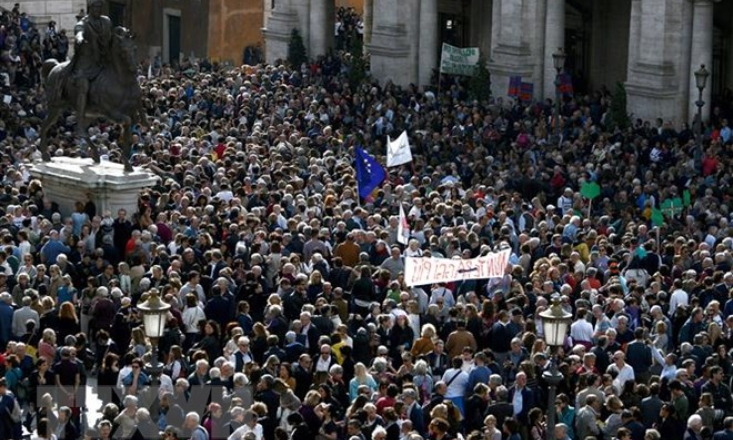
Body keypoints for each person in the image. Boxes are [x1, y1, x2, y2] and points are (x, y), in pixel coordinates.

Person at [69, 0, 113, 134]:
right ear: (90, 8)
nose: (98, 9)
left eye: (100, 7)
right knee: (83, 86)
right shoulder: (83, 22)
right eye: (96, 7)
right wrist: (80, 38)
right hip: (86, 62)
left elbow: (111, 35)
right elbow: (79, 31)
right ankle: (80, 119)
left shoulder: (105, 21)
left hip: (102, 59)